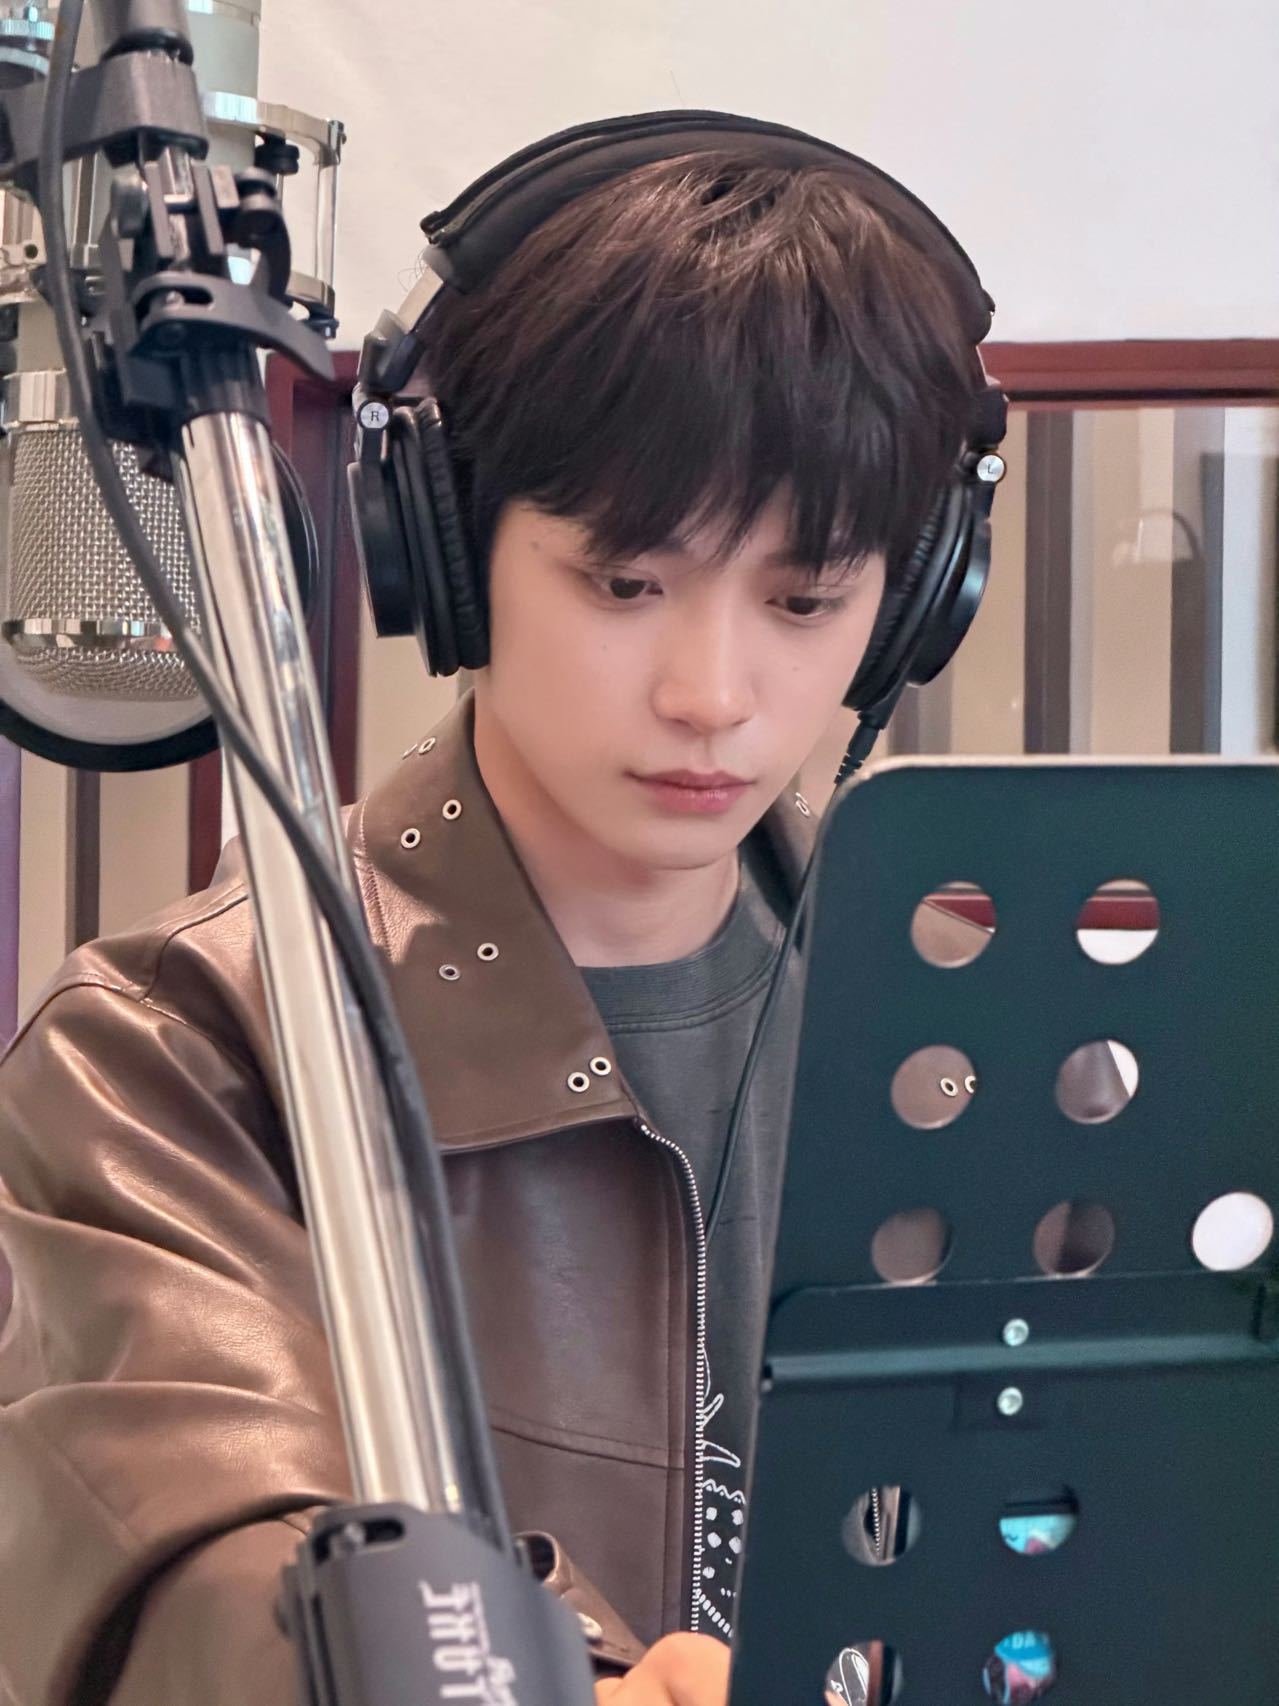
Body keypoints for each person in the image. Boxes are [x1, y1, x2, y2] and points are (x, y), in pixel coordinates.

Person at [0, 113, 997, 1706]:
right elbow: (201, 1569)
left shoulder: (979, 1034)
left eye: (805, 599)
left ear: (912, 601)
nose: (713, 692)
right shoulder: (181, 1048)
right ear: (449, 551)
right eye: (625, 583)